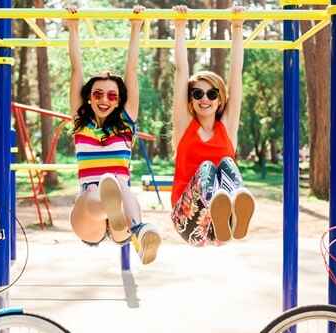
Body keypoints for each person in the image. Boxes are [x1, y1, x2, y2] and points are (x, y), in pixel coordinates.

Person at [65, 5, 161, 264]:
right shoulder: (81, 123)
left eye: (111, 95)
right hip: (90, 217)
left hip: (123, 218)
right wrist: (72, 28)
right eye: (97, 94)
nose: (104, 100)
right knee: (103, 188)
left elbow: (131, 72)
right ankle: (112, 207)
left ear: (119, 101)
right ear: (88, 98)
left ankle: (139, 230)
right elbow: (76, 70)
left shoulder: (126, 124)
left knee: (118, 183)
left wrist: (135, 27)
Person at [170, 5, 255, 246]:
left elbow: (236, 75)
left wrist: (237, 28)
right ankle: (217, 202)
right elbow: (181, 71)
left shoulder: (227, 128)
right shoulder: (184, 126)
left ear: (220, 99)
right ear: (190, 100)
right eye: (197, 94)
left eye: (211, 93)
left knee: (226, 163)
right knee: (207, 166)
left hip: (222, 229)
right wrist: (179, 27)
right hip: (188, 222)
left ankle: (234, 208)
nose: (204, 98)